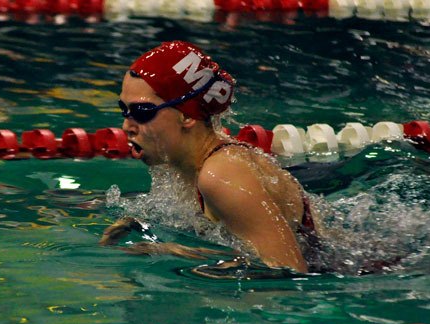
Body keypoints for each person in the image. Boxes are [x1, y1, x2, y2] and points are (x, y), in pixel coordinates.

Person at [100, 41, 321, 273]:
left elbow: (289, 272)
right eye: (124, 110)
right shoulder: (181, 163)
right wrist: (138, 224)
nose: (126, 126)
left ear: (187, 115)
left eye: (142, 113)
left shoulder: (221, 173)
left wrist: (173, 250)